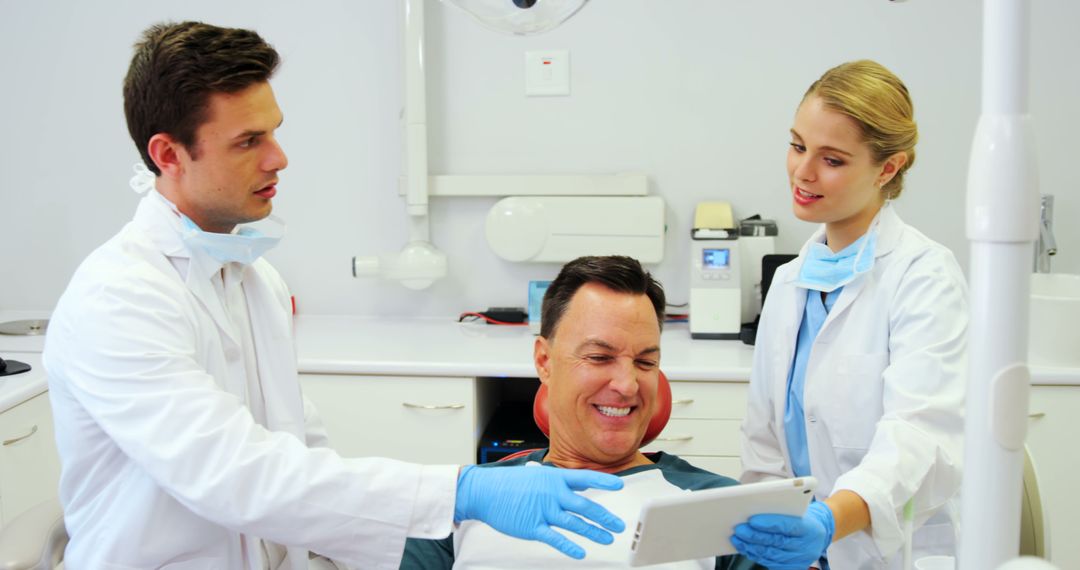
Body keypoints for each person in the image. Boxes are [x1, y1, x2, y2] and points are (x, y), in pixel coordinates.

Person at [42, 21, 625, 569]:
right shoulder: (117, 298)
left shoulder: (251, 276)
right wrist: (459, 492)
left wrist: (428, 545)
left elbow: (302, 454)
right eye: (248, 141)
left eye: (273, 131)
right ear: (168, 154)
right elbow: (235, 475)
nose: (279, 158)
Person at [732, 60, 967, 570]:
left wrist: (828, 522)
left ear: (888, 168)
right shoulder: (791, 281)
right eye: (797, 146)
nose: (803, 172)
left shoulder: (924, 276)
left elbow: (917, 435)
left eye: (832, 160)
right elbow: (763, 439)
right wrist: (775, 529)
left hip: (896, 554)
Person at [401, 256, 760, 569]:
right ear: (544, 361)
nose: (628, 385)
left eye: (645, 361)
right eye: (600, 357)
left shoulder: (717, 506)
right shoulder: (465, 500)